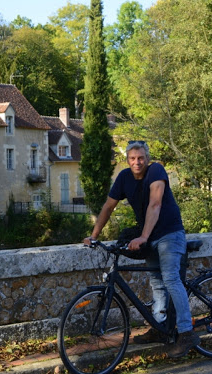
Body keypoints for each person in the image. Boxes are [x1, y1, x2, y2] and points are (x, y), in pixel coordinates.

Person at [83, 141, 200, 357]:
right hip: (149, 236)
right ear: (127, 160)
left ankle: (186, 333)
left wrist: (143, 237)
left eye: (140, 158)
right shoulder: (124, 178)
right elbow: (109, 206)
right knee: (156, 282)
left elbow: (155, 204)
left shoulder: (156, 170)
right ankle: (160, 328)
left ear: (146, 158)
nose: (137, 162)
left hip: (169, 234)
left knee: (171, 279)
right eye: (132, 158)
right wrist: (94, 236)